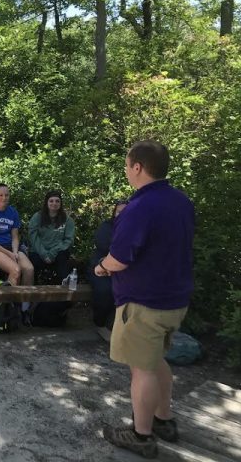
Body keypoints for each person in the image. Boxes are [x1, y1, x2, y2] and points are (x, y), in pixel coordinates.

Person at [97, 141, 194, 459]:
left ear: (137, 167)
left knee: (142, 368)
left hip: (144, 302)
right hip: (175, 299)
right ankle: (163, 420)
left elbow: (120, 258)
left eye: (127, 165)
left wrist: (101, 266)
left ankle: (141, 435)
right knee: (154, 361)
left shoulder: (140, 207)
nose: (126, 171)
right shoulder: (181, 202)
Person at [0, 183, 34, 324]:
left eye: (6, 195)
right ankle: (7, 310)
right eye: (0, 195)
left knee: (29, 269)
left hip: (12, 247)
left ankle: (24, 309)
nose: (4, 198)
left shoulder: (12, 212)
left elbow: (15, 236)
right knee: (15, 270)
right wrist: (9, 253)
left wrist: (14, 251)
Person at [87, 199, 128, 341]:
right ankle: (100, 324)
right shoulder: (107, 226)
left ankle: (121, 326)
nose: (122, 214)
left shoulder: (134, 228)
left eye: (126, 211)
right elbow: (104, 246)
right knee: (105, 290)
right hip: (101, 266)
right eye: (119, 211)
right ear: (114, 213)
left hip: (125, 269)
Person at [28, 190, 75, 285]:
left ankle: (62, 296)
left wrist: (52, 253)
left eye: (57, 201)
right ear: (46, 202)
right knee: (34, 265)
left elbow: (68, 240)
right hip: (39, 251)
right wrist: (44, 254)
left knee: (63, 263)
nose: (54, 203)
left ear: (61, 203)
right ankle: (33, 296)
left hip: (58, 252)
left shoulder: (67, 220)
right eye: (51, 201)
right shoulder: (37, 217)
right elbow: (33, 236)